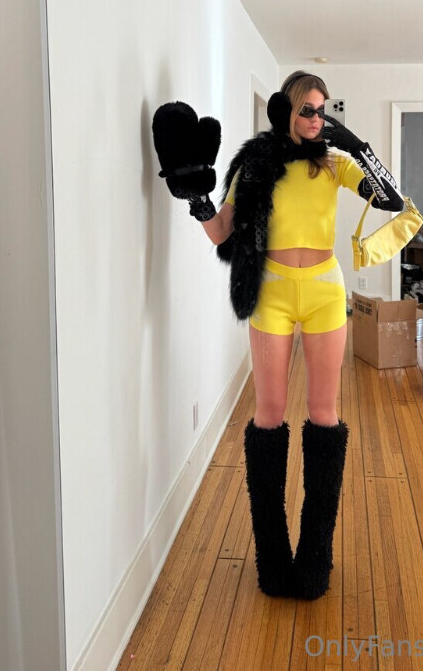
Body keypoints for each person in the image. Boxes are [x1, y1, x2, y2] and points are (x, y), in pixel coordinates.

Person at [151, 71, 405, 600]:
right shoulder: (255, 165)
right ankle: (272, 560)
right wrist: (196, 196)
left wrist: (354, 143)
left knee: (324, 414)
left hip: (324, 291)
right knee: (268, 415)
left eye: (322, 110)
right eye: (306, 109)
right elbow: (221, 232)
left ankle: (315, 560)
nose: (315, 119)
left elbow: (391, 200)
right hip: (271, 291)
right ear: (285, 110)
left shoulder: (334, 164)